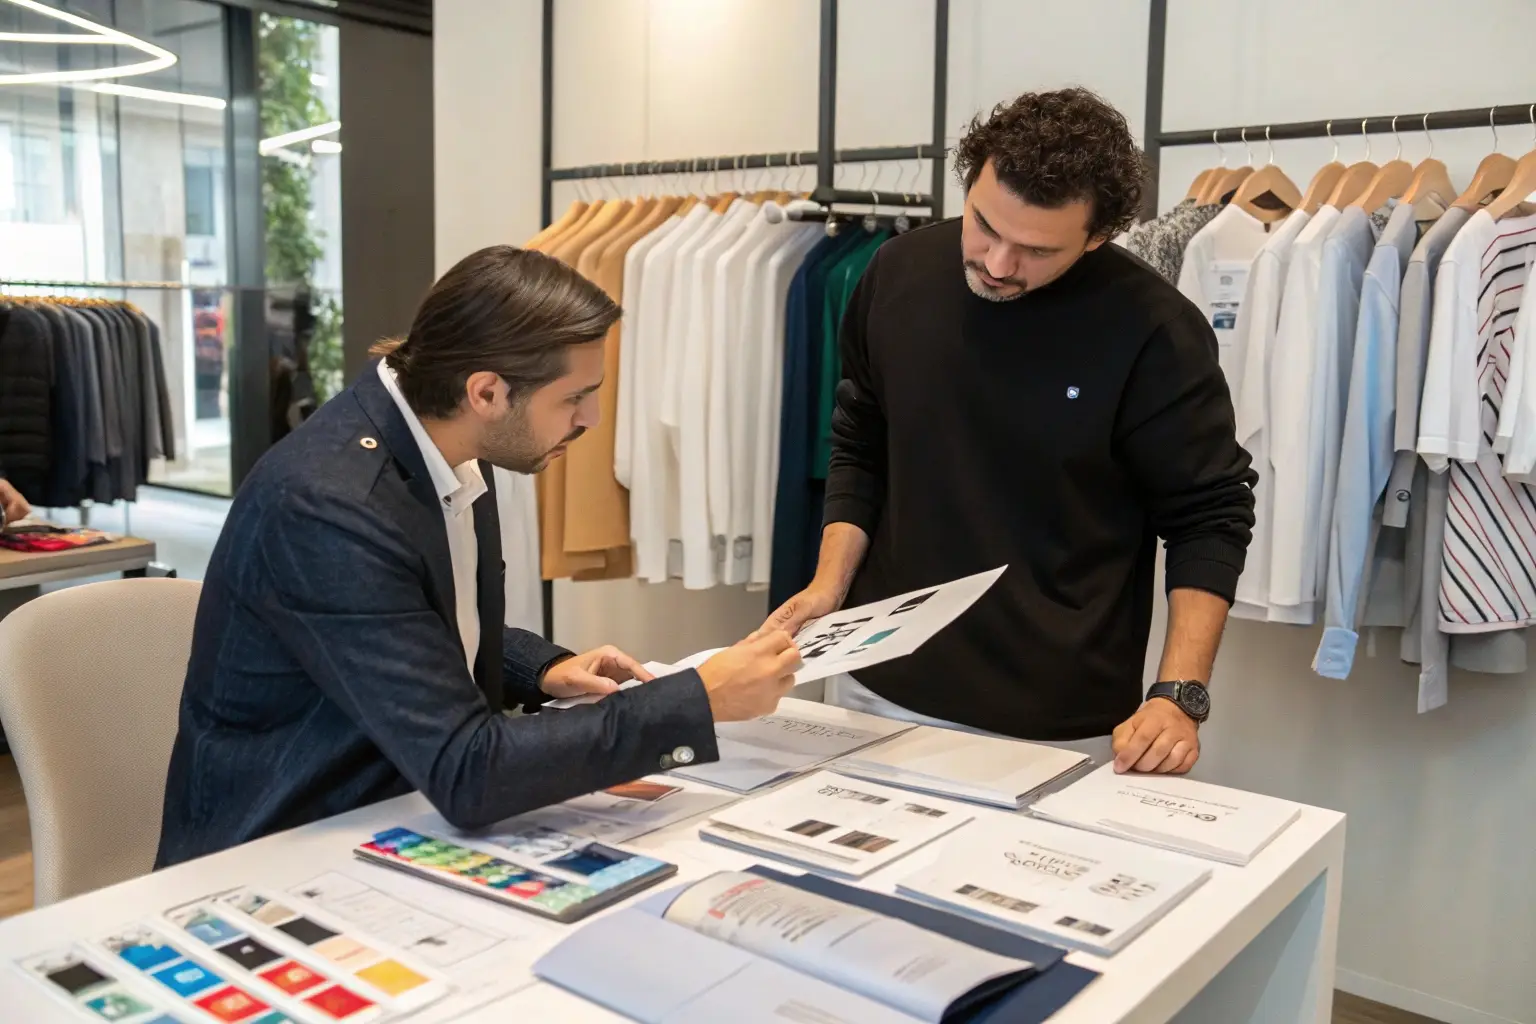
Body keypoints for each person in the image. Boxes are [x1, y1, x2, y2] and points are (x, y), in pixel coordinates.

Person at [157, 246, 801, 867]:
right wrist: (697, 701)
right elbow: (468, 769)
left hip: (394, 809)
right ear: (487, 393)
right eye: (575, 397)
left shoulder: (449, 450)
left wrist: (539, 667)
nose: (594, 418)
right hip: (284, 846)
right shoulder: (329, 505)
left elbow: (409, 618)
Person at [763, 89, 1256, 775]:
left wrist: (1178, 694)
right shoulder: (896, 273)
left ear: (1097, 236)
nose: (996, 265)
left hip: (1054, 725)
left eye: (1034, 251)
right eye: (983, 227)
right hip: (874, 685)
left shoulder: (1154, 332)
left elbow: (1210, 516)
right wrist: (826, 585)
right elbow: (861, 440)